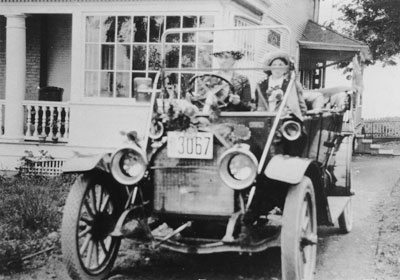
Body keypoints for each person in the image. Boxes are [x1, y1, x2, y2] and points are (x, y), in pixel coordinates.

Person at [255, 51, 307, 115]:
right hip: (265, 120)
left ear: (285, 69)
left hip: (285, 121)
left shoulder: (293, 84)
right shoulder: (260, 85)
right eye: (274, 65)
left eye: (280, 65)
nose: (277, 67)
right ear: (270, 68)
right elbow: (256, 107)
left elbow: (302, 109)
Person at [201, 47, 252, 112]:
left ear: (234, 59)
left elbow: (249, 108)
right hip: (214, 118)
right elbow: (200, 104)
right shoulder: (209, 79)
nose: (223, 60)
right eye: (220, 57)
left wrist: (238, 103)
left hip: (235, 119)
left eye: (226, 57)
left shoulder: (243, 80)